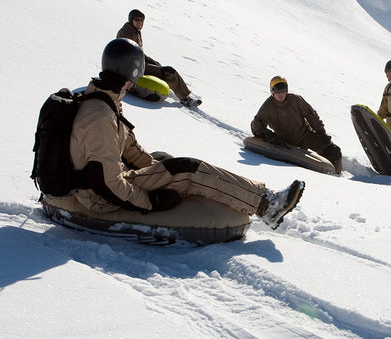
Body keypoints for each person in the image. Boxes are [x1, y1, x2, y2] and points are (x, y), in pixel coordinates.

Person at [66, 38, 305, 229]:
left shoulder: (103, 101)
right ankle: (266, 205)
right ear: (127, 74)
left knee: (164, 161)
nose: (134, 83)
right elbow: (107, 184)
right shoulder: (100, 116)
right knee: (187, 169)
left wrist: (155, 168)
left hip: (108, 177)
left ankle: (252, 198)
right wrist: (150, 201)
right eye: (134, 76)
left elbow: (128, 146)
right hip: (99, 197)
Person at [251, 76, 342, 174]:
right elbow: (256, 126)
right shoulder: (268, 107)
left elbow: (311, 115)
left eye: (283, 90)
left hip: (306, 135)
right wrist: (270, 136)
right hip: (287, 143)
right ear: (272, 91)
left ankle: (335, 176)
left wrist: (321, 132)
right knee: (300, 167)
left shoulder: (295, 99)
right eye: (277, 91)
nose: (281, 94)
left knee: (334, 151)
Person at [117, 9, 201, 108]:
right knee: (169, 73)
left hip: (134, 64)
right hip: (132, 67)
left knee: (160, 67)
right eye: (137, 20)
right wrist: (150, 65)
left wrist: (151, 61)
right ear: (131, 20)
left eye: (142, 20)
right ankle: (185, 99)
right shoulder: (129, 33)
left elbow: (138, 53)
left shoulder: (132, 30)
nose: (140, 22)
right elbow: (131, 54)